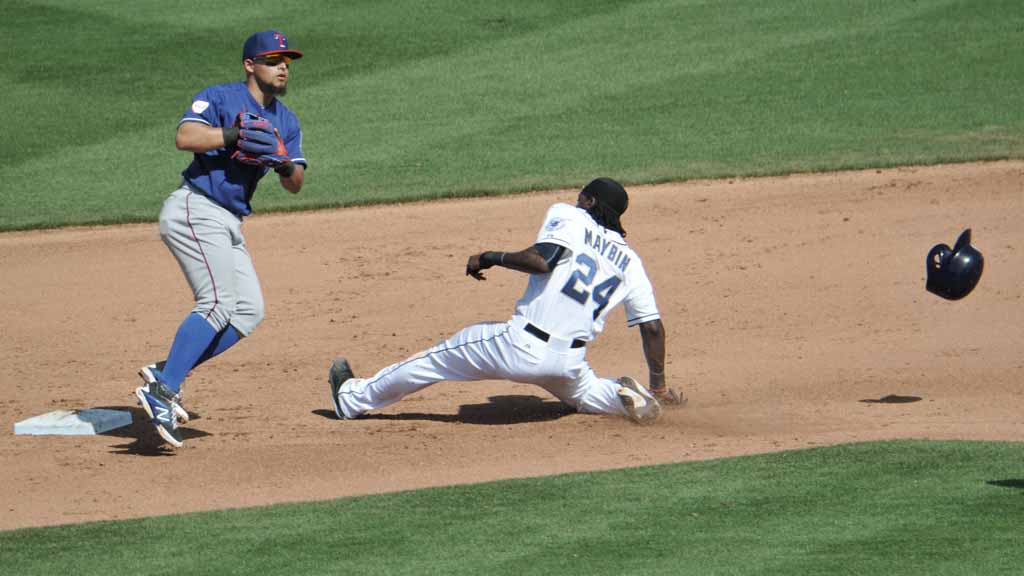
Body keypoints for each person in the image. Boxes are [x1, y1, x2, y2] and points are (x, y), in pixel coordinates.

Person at [327, 177, 684, 424]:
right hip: (569, 362)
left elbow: (542, 260)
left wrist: (489, 256)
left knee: (436, 358)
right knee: (586, 392)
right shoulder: (630, 261)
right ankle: (629, 399)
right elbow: (652, 328)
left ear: (590, 201)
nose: (577, 200)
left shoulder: (571, 217)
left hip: (520, 346)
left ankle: (352, 399)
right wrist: (659, 382)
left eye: (582, 196)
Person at [135, 30, 308, 447]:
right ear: (250, 65)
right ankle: (162, 389)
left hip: (229, 220)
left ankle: (168, 371)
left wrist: (282, 163)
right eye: (272, 59)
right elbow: (185, 137)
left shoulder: (285, 119)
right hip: (196, 208)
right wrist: (233, 136)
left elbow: (296, 182)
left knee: (247, 311)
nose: (282, 66)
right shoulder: (220, 97)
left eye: (286, 60)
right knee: (215, 303)